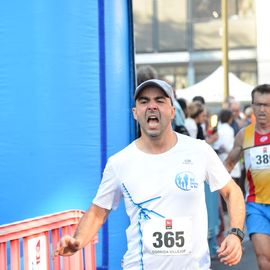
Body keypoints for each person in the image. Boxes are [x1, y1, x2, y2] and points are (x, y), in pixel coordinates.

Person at [54, 79, 245, 269]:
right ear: (135, 113)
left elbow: (232, 192)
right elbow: (98, 212)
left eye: (160, 100)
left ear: (172, 112)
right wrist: (78, 240)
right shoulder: (119, 163)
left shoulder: (198, 151)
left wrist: (235, 233)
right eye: (144, 101)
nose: (152, 106)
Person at [224, 84, 270, 270]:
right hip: (255, 205)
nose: (261, 109)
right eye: (257, 104)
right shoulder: (244, 135)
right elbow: (228, 164)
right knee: (264, 259)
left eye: (267, 105)